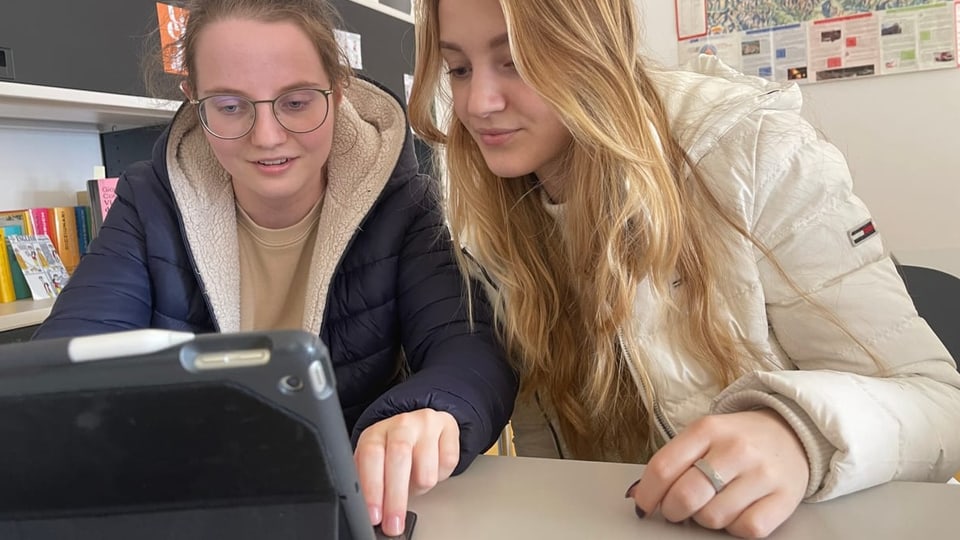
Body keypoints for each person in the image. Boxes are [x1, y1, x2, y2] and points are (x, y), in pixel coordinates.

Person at [407, 0, 960, 537]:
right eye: (457, 69)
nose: (477, 103)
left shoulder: (751, 150)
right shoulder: (483, 213)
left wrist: (800, 435)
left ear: (593, 49)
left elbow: (940, 407)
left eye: (519, 62)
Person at [33, 0, 518, 535]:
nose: (267, 136)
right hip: (190, 506)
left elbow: (469, 348)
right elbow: (64, 368)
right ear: (194, 100)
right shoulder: (148, 202)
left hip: (341, 507)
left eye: (296, 101)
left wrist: (433, 412)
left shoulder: (402, 204)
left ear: (338, 90)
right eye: (230, 106)